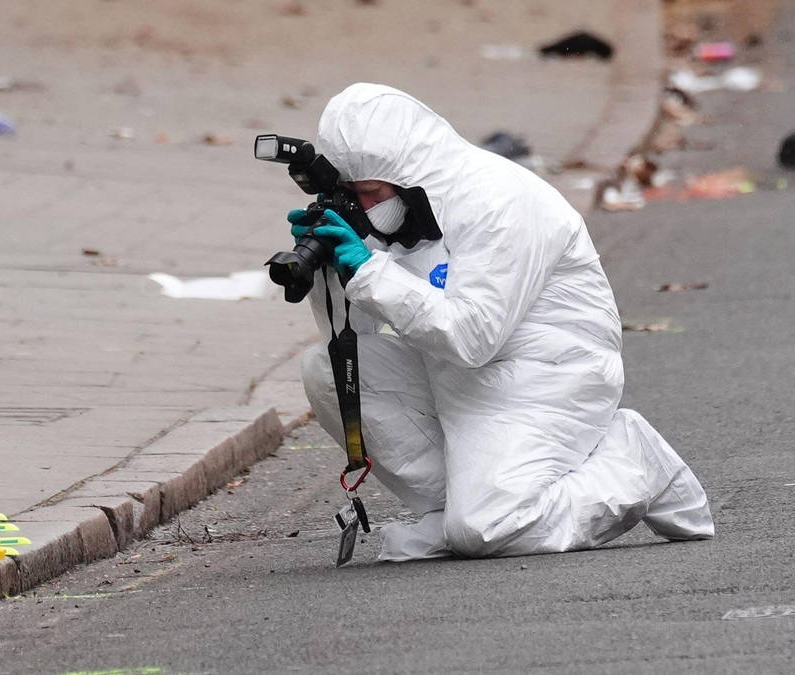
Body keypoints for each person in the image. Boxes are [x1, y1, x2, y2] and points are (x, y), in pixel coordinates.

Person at [291, 83, 714, 561]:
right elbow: (356, 340)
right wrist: (334, 274)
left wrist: (370, 272)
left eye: (368, 193)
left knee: (487, 528)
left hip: (549, 377)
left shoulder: (498, 200)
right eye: (353, 195)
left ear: (405, 173)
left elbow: (473, 338)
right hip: (459, 375)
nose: (364, 207)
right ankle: (452, 510)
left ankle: (631, 461)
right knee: (326, 370)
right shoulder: (402, 208)